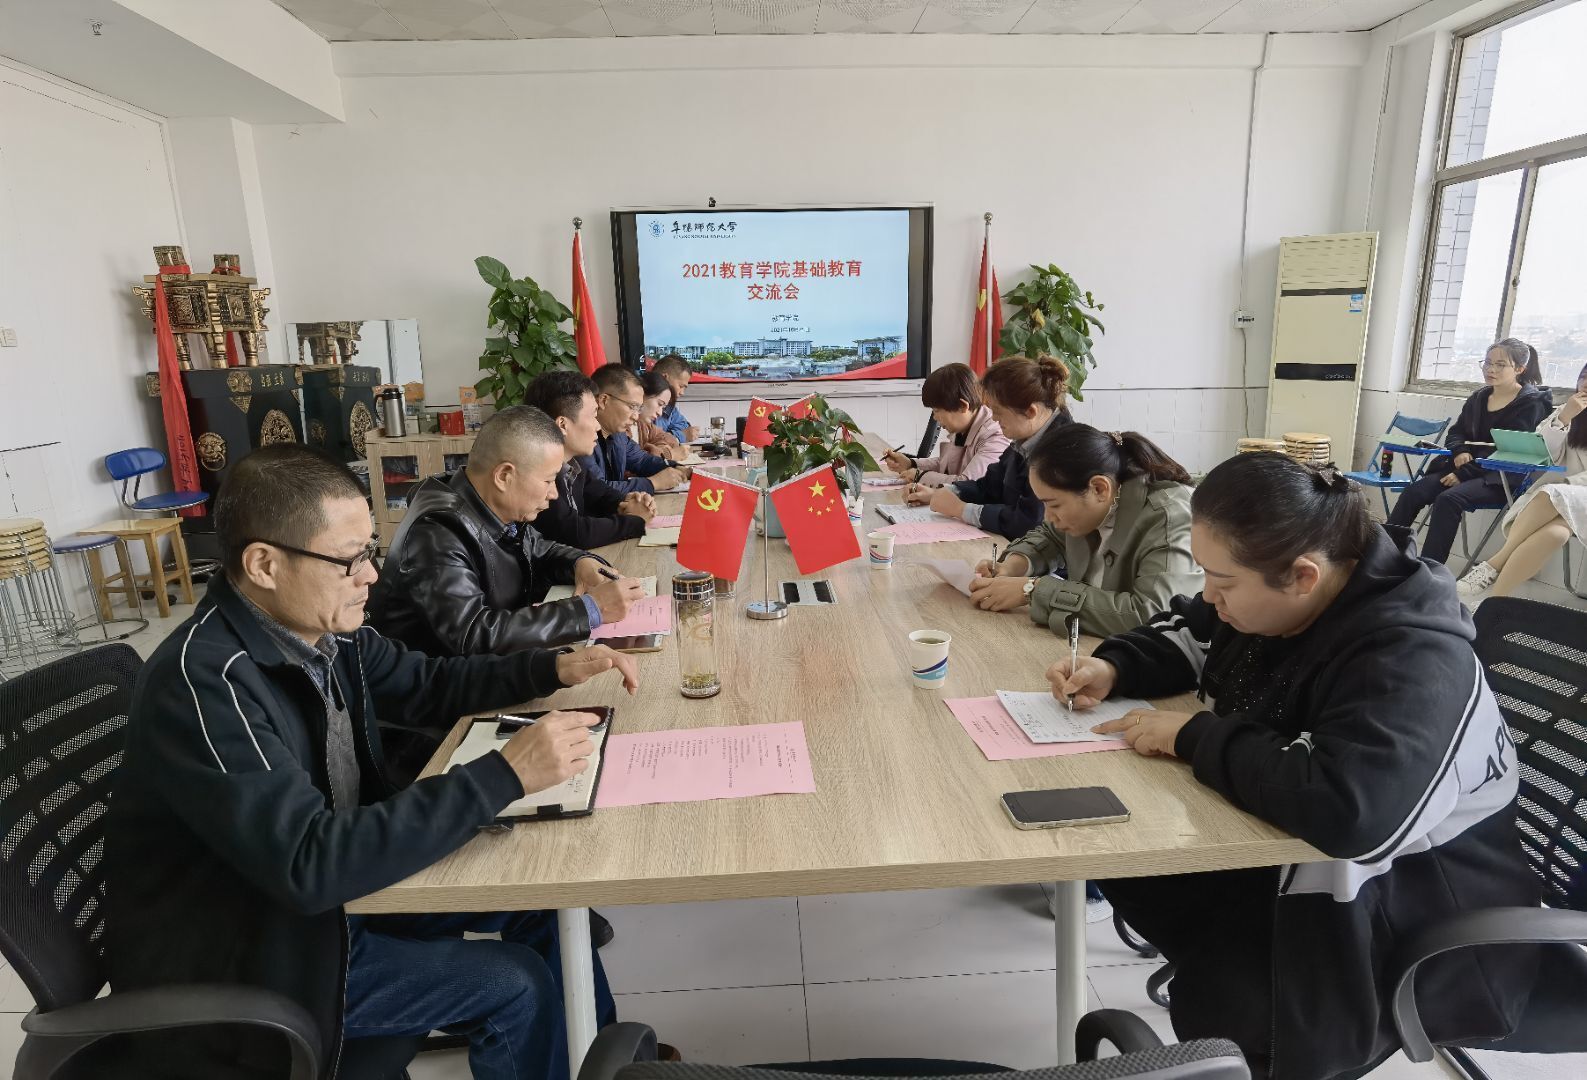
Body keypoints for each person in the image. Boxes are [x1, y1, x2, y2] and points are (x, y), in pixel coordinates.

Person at [105, 445, 636, 1080]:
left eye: (370, 552)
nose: (372, 577)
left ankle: (601, 1066)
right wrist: (505, 774)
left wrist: (550, 667)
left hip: (322, 902)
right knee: (512, 983)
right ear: (264, 564)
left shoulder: (322, 632)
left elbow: (428, 683)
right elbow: (308, 864)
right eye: (349, 560)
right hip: (257, 954)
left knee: (540, 900)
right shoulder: (206, 684)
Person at [1048, 452, 1538, 1080]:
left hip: (1410, 910)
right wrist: (1115, 666)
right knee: (1119, 856)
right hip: (1309, 867)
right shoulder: (1284, 592)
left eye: (1223, 582)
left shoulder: (1413, 657)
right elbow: (1192, 629)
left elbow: (1353, 810)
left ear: (1303, 576)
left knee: (1227, 1001)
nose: (1210, 595)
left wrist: (1195, 737)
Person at [367, 405, 648, 778]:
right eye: (548, 481)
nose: (554, 494)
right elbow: (474, 634)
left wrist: (580, 562)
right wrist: (587, 610)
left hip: (491, 682)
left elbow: (540, 548)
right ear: (504, 475)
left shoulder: (489, 504)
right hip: (431, 726)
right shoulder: (437, 533)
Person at [968, 425, 1200, 638]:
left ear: (1099, 488)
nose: (1048, 516)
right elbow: (1050, 536)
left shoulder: (1168, 517)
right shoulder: (1097, 501)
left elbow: (1152, 614)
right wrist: (1013, 565)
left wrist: (1032, 590)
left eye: (1054, 505)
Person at [1386, 338, 1552, 563]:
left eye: (1500, 365)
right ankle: (1385, 555)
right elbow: (1456, 432)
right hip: (1464, 470)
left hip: (1500, 477)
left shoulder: (1532, 403)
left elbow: (1507, 449)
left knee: (1448, 499)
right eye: (1488, 362)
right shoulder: (1479, 397)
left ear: (1519, 369)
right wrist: (1460, 451)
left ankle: (1430, 569)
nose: (1491, 369)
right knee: (1413, 492)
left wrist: (1463, 473)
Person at [1457, 362, 1587, 604]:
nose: (1586, 383)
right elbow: (1543, 451)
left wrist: (1568, 485)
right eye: (1584, 376)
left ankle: (1494, 563)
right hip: (1565, 498)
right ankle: (1493, 603)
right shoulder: (1570, 411)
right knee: (1556, 534)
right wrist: (1564, 417)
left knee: (1550, 493)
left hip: (1572, 492)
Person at [905, 355, 1072, 540]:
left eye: (998, 411)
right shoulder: (1026, 437)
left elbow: (1027, 522)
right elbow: (989, 485)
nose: (993, 418)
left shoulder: (1061, 453)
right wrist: (946, 493)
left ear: (1030, 411)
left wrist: (961, 509)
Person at [526, 368, 656, 549]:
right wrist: (634, 521)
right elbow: (572, 532)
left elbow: (600, 493)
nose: (597, 426)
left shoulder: (574, 462)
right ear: (562, 424)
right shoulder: (538, 472)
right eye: (593, 416)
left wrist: (627, 502)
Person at [882, 362, 1009, 486]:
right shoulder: (964, 426)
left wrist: (920, 476)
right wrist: (911, 464)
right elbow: (945, 465)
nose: (935, 417)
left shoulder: (994, 437)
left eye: (937, 410)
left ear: (962, 406)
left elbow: (969, 484)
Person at [587, 363, 691, 494]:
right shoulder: (582, 438)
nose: (636, 416)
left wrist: (676, 468)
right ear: (603, 401)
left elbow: (642, 460)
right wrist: (653, 483)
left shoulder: (618, 435)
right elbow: (598, 490)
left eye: (638, 408)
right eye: (632, 407)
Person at [638, 369, 688, 460]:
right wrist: (669, 454)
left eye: (663, 407)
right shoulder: (624, 427)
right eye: (659, 404)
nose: (660, 413)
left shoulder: (644, 426)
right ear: (642, 394)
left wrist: (661, 448)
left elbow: (667, 438)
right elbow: (636, 460)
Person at [651, 353, 697, 443]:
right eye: (681, 386)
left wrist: (669, 436)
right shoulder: (643, 405)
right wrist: (681, 436)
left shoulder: (669, 406)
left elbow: (685, 427)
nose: (682, 393)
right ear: (664, 378)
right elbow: (652, 441)